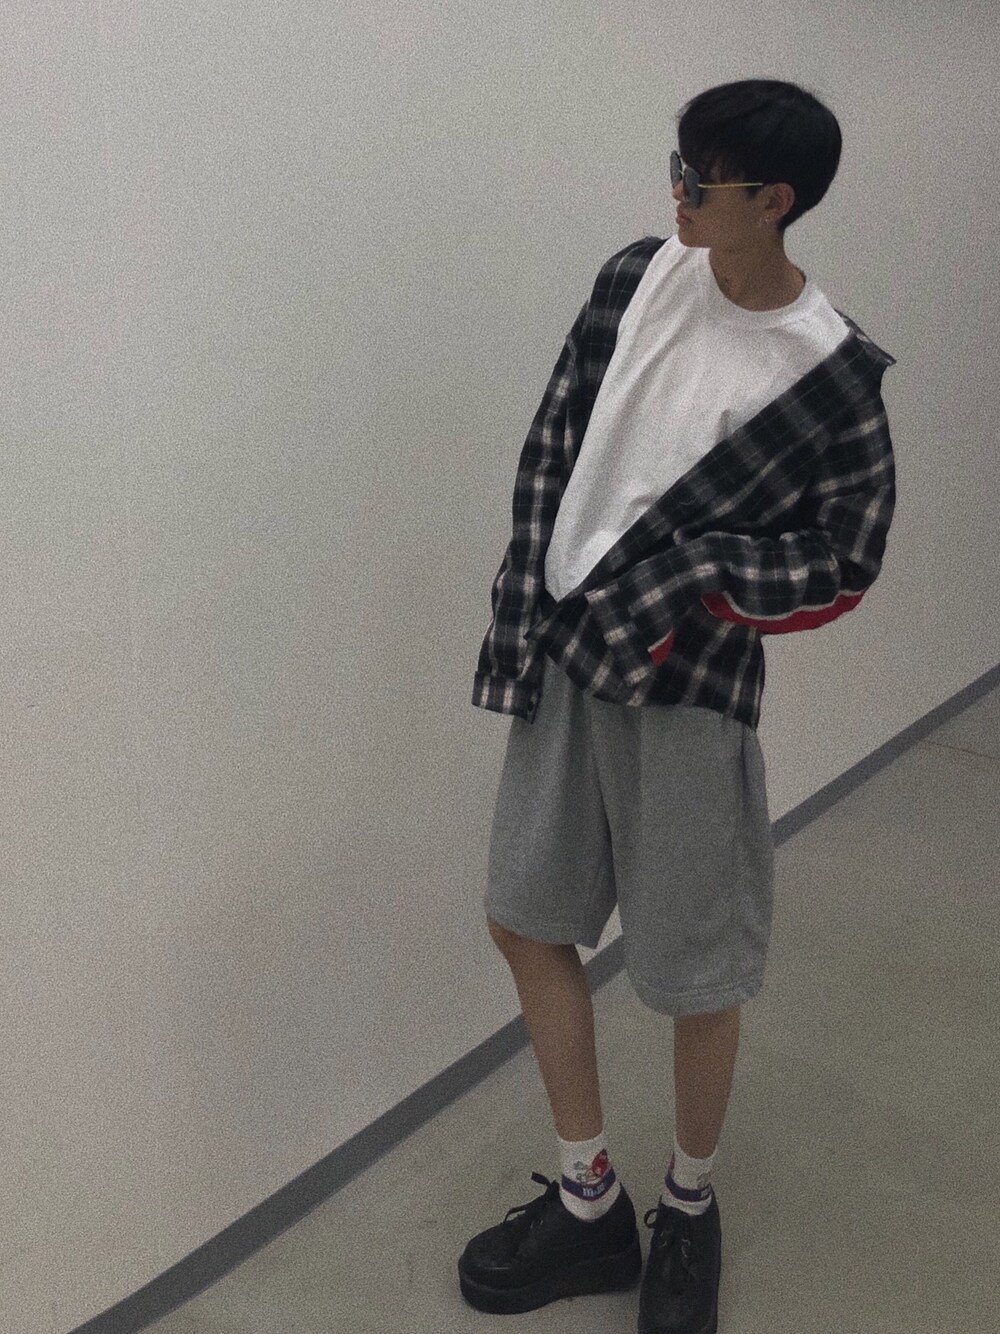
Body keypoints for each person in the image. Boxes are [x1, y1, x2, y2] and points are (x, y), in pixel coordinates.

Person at [459, 78, 897, 1334]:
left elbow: (845, 557)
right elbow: (554, 445)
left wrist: (697, 573)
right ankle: (588, 1196)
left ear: (775, 200)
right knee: (526, 917)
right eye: (676, 166)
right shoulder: (635, 277)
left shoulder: (830, 373)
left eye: (701, 179)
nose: (677, 194)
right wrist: (525, 604)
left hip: (690, 692)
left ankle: (687, 1204)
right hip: (566, 656)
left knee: (694, 969)